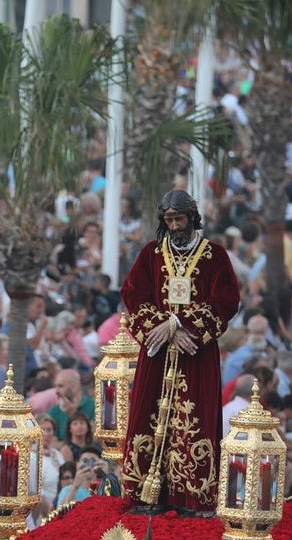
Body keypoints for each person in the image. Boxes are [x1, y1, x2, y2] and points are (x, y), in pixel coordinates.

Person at [120, 190, 240, 512]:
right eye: (169, 220)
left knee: (195, 420)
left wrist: (180, 324)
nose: (175, 225)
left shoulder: (214, 255)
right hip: (158, 352)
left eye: (180, 218)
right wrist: (164, 329)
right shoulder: (151, 254)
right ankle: (145, 494)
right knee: (148, 415)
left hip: (195, 353)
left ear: (192, 217)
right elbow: (133, 295)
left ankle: (191, 497)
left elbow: (226, 302)